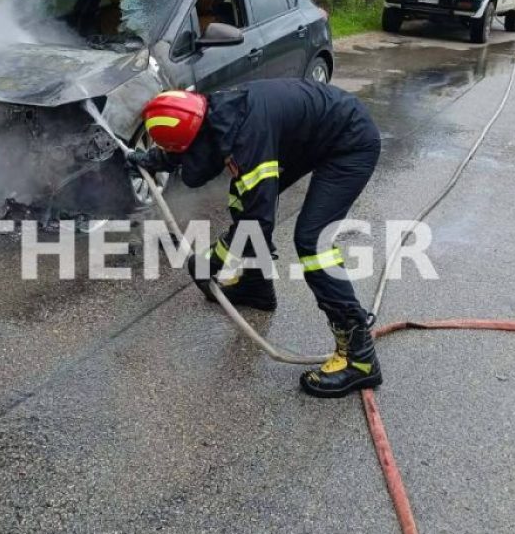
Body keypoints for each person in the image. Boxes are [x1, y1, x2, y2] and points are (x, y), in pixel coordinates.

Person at [129, 81, 383, 398]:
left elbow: (258, 223)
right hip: (312, 137)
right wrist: (156, 160)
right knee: (242, 197)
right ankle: (256, 286)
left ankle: (359, 357)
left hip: (350, 142)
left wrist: (213, 260)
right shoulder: (213, 110)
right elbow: (197, 142)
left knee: (311, 240)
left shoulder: (250, 139)